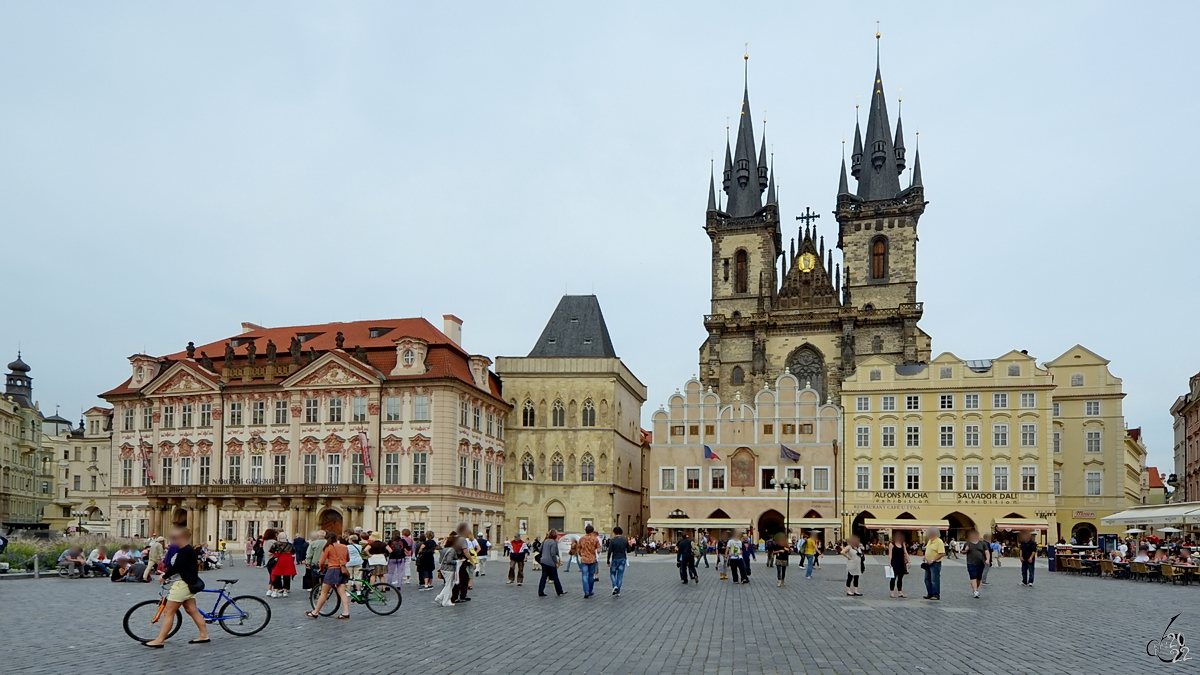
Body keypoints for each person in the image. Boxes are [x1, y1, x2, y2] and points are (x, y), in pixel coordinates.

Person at [143, 527, 211, 647]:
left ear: (182, 537)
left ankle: (160, 640)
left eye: (174, 537)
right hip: (186, 583)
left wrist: (165, 575)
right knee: (192, 610)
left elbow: (178, 566)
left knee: (168, 612)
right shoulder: (186, 549)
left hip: (182, 584)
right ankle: (204, 635)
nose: (172, 540)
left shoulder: (185, 550)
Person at [306, 532, 351, 620]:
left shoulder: (328, 547)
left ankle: (315, 612)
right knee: (342, 593)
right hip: (342, 570)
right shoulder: (344, 546)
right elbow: (348, 559)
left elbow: (322, 561)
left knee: (324, 592)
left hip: (332, 570)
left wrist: (321, 568)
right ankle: (346, 612)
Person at [433, 532, 460, 607]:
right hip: (449, 569)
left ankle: (440, 597)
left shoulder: (444, 549)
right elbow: (449, 560)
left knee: (448, 585)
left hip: (443, 568)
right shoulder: (452, 550)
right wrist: (457, 561)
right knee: (449, 585)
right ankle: (446, 601)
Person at [962, 529, 990, 599]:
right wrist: (966, 550)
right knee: (973, 576)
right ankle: (975, 590)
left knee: (978, 578)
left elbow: (987, 552)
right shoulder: (967, 543)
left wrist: (987, 559)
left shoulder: (982, 543)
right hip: (970, 562)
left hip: (981, 562)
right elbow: (962, 552)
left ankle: (976, 589)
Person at [576, 524, 603, 597]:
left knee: (584, 575)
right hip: (592, 559)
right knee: (591, 576)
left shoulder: (581, 539)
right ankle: (590, 590)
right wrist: (597, 552)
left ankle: (586, 591)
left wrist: (581, 554)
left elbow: (578, 548)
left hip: (584, 559)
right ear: (592, 531)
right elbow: (599, 549)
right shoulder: (595, 539)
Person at [538, 528, 566, 597]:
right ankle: (559, 591)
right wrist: (556, 562)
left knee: (544, 577)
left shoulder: (545, 541)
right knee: (555, 576)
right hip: (550, 562)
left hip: (543, 561)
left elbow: (540, 549)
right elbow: (553, 553)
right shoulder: (553, 543)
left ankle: (540, 591)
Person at [921, 527, 946, 600]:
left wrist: (933, 560)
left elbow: (942, 553)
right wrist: (925, 557)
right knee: (927, 579)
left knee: (934, 579)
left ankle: (936, 595)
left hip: (935, 563)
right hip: (928, 563)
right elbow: (928, 550)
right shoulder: (930, 541)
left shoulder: (939, 541)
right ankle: (930, 593)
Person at [451, 524, 474, 603]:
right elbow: (465, 551)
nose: (468, 531)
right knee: (461, 579)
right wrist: (472, 561)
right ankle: (455, 597)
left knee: (464, 578)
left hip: (456, 560)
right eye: (467, 529)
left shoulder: (455, 538)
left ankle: (462, 595)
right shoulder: (462, 539)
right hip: (460, 561)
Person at [607, 526, 631, 596]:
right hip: (623, 558)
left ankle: (615, 585)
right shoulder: (625, 540)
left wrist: (608, 561)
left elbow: (609, 551)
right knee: (620, 575)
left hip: (615, 558)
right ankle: (618, 592)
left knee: (612, 573)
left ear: (614, 533)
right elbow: (629, 550)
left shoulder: (613, 540)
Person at [887, 533, 910, 598]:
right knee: (893, 578)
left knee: (900, 578)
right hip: (894, 562)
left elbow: (905, 552)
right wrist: (889, 563)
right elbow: (890, 554)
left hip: (901, 562)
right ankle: (892, 592)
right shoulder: (892, 544)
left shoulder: (903, 544)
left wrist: (908, 561)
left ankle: (900, 592)